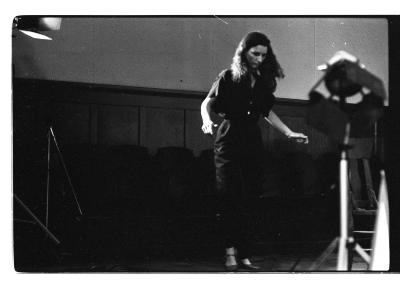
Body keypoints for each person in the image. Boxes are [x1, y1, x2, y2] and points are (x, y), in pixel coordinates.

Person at [200, 31, 308, 271]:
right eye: (254, 53)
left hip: (251, 139)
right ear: (244, 52)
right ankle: (230, 252)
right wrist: (206, 120)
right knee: (230, 196)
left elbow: (267, 112)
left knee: (250, 197)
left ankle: (245, 255)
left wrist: (289, 132)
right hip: (228, 138)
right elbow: (207, 102)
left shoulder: (265, 82)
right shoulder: (228, 76)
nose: (259, 58)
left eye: (263, 55)